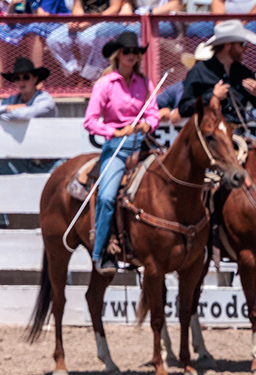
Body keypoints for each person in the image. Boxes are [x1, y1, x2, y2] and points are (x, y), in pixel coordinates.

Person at [82, 31, 159, 276]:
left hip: (144, 142)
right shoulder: (104, 84)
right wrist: (115, 131)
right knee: (106, 197)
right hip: (117, 147)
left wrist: (149, 124)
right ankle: (101, 251)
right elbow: (90, 121)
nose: (132, 56)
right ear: (118, 55)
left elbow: (153, 112)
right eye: (127, 51)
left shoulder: (145, 83)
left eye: (136, 52)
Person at [0, 58, 59, 230]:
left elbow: (27, 114)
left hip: (51, 165)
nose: (21, 82)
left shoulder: (45, 100)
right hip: (24, 161)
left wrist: (5, 112)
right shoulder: (11, 101)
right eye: (17, 78)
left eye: (26, 77)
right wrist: (8, 109)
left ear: (35, 79)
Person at [177, 20, 256, 128]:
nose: (245, 49)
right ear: (227, 46)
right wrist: (211, 97)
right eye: (241, 44)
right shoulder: (199, 71)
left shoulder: (245, 73)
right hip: (209, 135)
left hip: (238, 134)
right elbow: (184, 108)